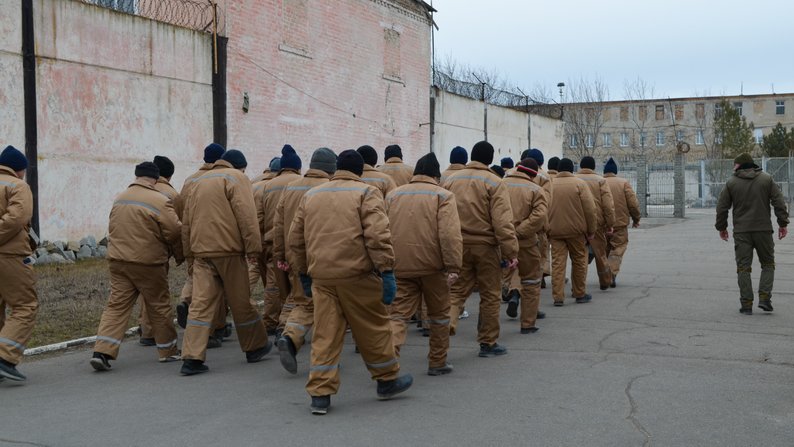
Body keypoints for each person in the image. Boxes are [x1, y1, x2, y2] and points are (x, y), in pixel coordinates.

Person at [288, 150, 412, 415]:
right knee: (374, 329)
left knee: (325, 334)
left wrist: (303, 273)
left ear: (335, 170)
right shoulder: (365, 193)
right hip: (358, 277)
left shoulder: (311, 196)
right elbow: (377, 237)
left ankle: (320, 394)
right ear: (359, 172)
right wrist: (387, 271)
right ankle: (387, 380)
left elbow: (296, 240)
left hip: (322, 277)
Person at [180, 149, 271, 375]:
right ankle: (255, 347)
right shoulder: (235, 178)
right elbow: (246, 215)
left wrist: (189, 253)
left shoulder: (198, 181)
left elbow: (187, 222)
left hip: (201, 251)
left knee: (200, 305)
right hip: (228, 251)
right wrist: (253, 248)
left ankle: (191, 358)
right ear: (239, 167)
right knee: (241, 302)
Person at [90, 162, 183, 371]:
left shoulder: (120, 197)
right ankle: (167, 351)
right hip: (148, 263)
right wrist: (179, 255)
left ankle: (101, 352)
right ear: (156, 179)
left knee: (116, 306)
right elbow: (175, 231)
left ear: (137, 176)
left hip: (118, 261)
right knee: (158, 305)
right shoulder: (161, 200)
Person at [387, 153, 462, 376]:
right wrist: (453, 266)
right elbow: (449, 235)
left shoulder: (392, 195)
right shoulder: (443, 196)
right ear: (436, 175)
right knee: (439, 316)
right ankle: (437, 362)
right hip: (433, 267)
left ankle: (387, 366)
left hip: (399, 265)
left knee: (397, 317)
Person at [442, 141, 518, 357]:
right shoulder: (494, 182)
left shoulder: (450, 180)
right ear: (490, 159)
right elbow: (502, 222)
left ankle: (445, 327)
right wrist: (511, 252)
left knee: (456, 291)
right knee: (490, 295)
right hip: (486, 247)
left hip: (458, 245)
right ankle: (488, 342)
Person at [272, 147, 337, 374]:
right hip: (325, 257)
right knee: (332, 307)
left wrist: (280, 255)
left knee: (303, 302)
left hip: (296, 256)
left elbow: (279, 225)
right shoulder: (329, 188)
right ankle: (326, 357)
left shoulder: (291, 188)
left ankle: (290, 337)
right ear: (332, 168)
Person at [715, 153, 789, 315]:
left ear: (741, 165)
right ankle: (764, 298)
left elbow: (722, 208)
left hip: (742, 232)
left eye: (735, 165)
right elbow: (779, 202)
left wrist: (722, 227)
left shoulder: (731, 183)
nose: (733, 167)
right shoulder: (766, 179)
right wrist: (782, 223)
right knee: (768, 264)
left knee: (743, 268)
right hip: (763, 230)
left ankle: (746, 303)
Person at [173, 144, 229, 348]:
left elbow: (180, 209)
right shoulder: (223, 178)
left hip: (194, 237)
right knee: (215, 288)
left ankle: (185, 300)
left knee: (195, 276)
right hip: (218, 239)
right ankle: (214, 329)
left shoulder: (190, 180)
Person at [0, 146, 37, 382]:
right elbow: (18, 218)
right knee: (25, 306)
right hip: (10, 255)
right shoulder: (18, 186)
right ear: (20, 170)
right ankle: (5, 358)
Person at [260, 145, 301, 337]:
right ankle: (288, 326)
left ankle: (270, 321)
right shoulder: (300, 183)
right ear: (298, 168)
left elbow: (260, 217)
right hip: (296, 242)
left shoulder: (267, 185)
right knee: (298, 288)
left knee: (274, 284)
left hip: (271, 241)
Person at [138, 155, 179, 346]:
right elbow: (176, 227)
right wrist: (180, 254)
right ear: (169, 176)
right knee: (158, 295)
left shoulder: (137, 189)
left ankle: (146, 329)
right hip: (157, 251)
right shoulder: (170, 194)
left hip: (132, 249)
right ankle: (160, 339)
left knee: (143, 294)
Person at [503, 158, 548, 333]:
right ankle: (528, 323)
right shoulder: (536, 190)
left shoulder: (499, 184)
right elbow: (539, 216)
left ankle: (485, 330)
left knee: (491, 285)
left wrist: (505, 232)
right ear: (533, 174)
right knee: (531, 280)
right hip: (527, 242)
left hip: (501, 240)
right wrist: (520, 231)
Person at [548, 158, 597, 306]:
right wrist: (591, 230)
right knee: (579, 261)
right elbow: (590, 210)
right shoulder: (579, 184)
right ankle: (579, 293)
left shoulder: (549, 185)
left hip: (555, 231)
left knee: (557, 263)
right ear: (571, 169)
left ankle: (558, 297)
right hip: (576, 232)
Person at [249, 156, 282, 334]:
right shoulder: (276, 186)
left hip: (258, 240)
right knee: (274, 283)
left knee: (256, 276)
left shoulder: (253, 184)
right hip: (273, 240)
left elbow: (255, 217)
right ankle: (271, 321)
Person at [576, 156, 616, 290]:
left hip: (578, 222)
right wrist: (610, 224)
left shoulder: (574, 179)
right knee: (600, 253)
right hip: (597, 223)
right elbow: (608, 205)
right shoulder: (600, 181)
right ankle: (605, 281)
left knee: (580, 256)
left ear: (581, 166)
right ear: (593, 167)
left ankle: (579, 287)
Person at [603, 158, 640, 287]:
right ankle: (611, 273)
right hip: (619, 224)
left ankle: (604, 276)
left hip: (602, 225)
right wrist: (636, 219)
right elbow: (633, 204)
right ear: (615, 172)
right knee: (617, 249)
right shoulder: (623, 183)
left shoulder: (599, 182)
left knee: (604, 250)